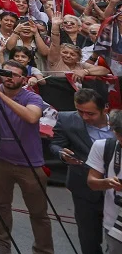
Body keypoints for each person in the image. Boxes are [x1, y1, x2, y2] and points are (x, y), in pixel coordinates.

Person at [0, 59, 53, 254]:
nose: (9, 78)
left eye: (14, 74)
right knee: (1, 204)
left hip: (29, 163)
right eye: (5, 73)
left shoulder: (32, 97)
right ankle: (1, 243)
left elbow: (31, 117)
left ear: (24, 78)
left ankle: (43, 250)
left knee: (38, 213)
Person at [51, 88, 111, 254]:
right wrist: (62, 154)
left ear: (105, 108)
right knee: (88, 237)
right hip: (83, 187)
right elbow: (55, 144)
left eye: (90, 114)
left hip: (115, 189)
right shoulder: (67, 119)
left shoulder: (117, 122)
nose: (84, 117)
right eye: (80, 111)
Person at [84, 109, 122, 254]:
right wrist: (106, 183)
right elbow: (91, 182)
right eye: (120, 135)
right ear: (113, 131)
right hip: (114, 222)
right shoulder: (103, 146)